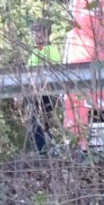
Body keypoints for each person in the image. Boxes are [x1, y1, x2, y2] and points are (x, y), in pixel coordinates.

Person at [27, 19, 62, 152]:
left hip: (47, 93)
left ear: (46, 35)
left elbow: (53, 72)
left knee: (42, 122)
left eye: (39, 33)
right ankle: (46, 149)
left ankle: (45, 150)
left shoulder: (51, 50)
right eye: (34, 33)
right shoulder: (34, 52)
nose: (36, 36)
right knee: (39, 122)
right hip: (36, 93)